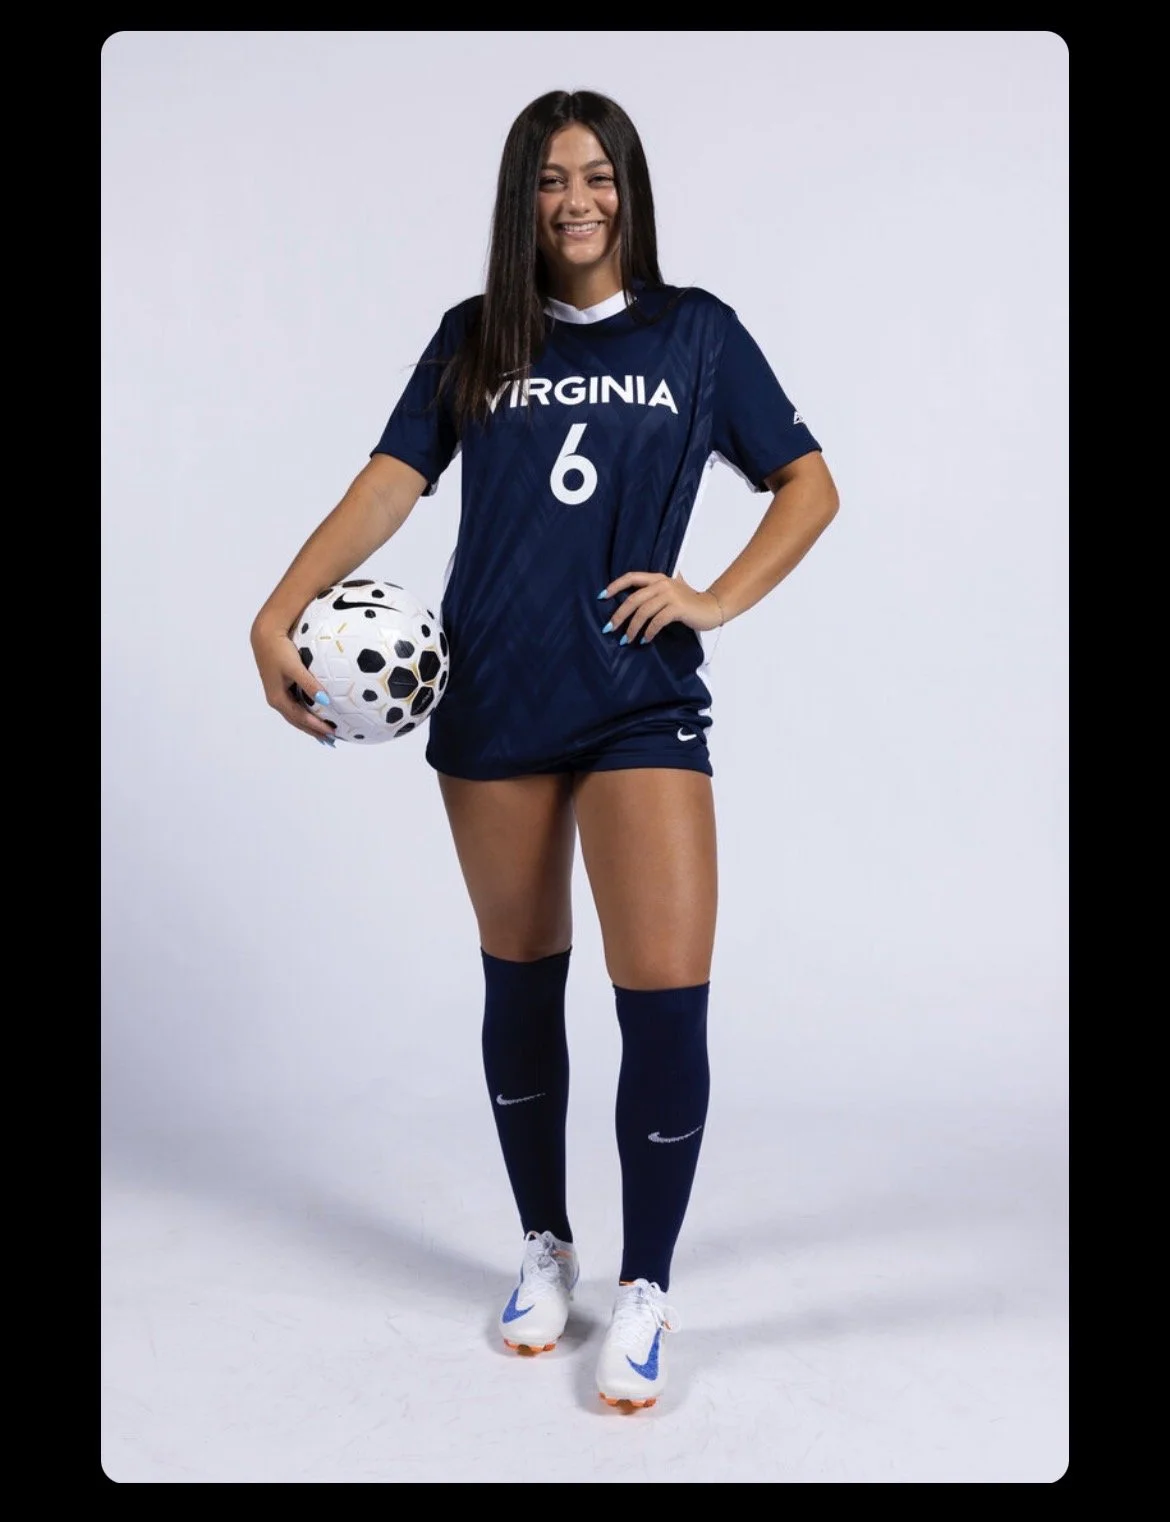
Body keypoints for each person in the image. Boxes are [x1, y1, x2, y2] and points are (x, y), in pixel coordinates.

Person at [250, 88, 839, 1411]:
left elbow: (808, 481)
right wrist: (275, 607)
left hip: (635, 696)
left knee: (662, 997)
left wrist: (714, 597)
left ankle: (646, 1286)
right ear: (521, 199)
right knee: (521, 987)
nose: (575, 200)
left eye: (596, 175)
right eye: (547, 179)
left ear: (628, 186)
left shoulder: (697, 333)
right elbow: (390, 481)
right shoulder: (478, 337)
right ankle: (545, 1245)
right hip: (495, 698)